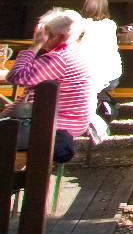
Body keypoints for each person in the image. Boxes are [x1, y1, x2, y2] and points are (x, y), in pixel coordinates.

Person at [8, 9, 95, 161]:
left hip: (56, 126)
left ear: (60, 37)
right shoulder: (73, 51)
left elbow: (16, 76)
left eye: (45, 34)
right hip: (64, 122)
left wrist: (34, 46)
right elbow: (24, 99)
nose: (41, 37)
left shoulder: (59, 59)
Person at [77, 0, 122, 119]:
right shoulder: (111, 24)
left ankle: (100, 104)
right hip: (112, 77)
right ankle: (106, 101)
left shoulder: (80, 24)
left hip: (86, 76)